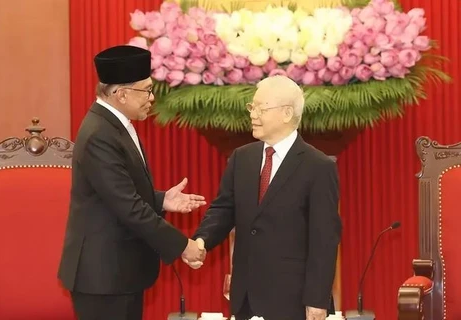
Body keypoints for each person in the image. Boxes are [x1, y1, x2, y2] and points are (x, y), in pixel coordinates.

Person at [57, 45, 206, 320]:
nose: (152, 98)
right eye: (147, 90)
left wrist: (161, 199)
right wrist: (183, 245)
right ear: (121, 93)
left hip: (119, 272)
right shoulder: (99, 135)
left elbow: (117, 194)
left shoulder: (114, 125)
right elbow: (129, 207)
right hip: (103, 278)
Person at [185, 75, 342, 320]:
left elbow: (324, 239)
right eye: (251, 107)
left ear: (287, 114)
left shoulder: (318, 166)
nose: (252, 114)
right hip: (246, 296)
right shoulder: (242, 158)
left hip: (293, 299)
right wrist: (202, 240)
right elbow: (223, 209)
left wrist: (316, 299)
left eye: (260, 108)